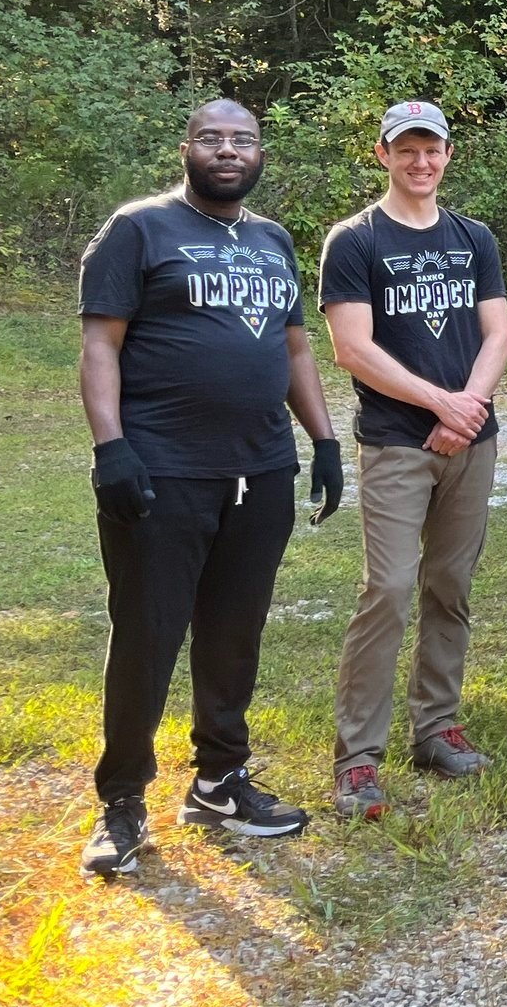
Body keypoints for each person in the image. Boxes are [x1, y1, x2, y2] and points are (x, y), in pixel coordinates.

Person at [75, 98, 345, 875]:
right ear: (187, 147)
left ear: (260, 152)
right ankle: (122, 800)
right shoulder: (138, 229)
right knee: (148, 634)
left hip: (259, 470)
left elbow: (295, 350)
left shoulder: (270, 239)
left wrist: (322, 440)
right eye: (213, 137)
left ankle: (220, 780)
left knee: (234, 632)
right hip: (162, 469)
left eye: (243, 138)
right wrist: (113, 447)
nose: (229, 149)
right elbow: (101, 344)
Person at [319, 100, 507, 821]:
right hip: (398, 442)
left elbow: (498, 334)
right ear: (383, 155)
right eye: (407, 150)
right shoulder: (355, 240)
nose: (421, 162)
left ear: (449, 154)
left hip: (471, 440)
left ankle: (436, 728)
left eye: (432, 149)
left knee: (450, 583)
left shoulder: (473, 238)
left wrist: (467, 409)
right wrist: (441, 404)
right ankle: (358, 759)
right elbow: (352, 348)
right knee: (390, 589)